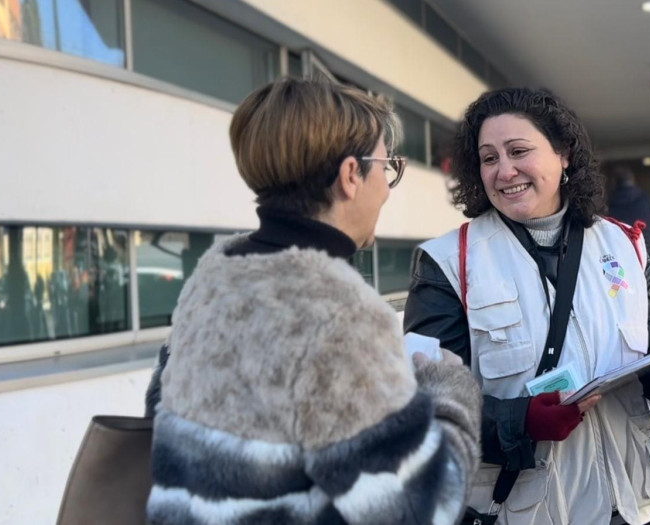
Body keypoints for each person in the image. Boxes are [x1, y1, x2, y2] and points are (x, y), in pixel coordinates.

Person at [144, 78, 483, 525]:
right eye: (387, 168)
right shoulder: (337, 314)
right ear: (350, 176)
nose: (386, 187)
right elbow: (420, 507)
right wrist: (448, 388)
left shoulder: (210, 283)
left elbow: (160, 413)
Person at [403, 88, 650, 525]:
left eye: (518, 151)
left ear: (564, 153)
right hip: (523, 510)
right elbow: (425, 405)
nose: (504, 171)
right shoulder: (449, 262)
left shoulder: (624, 244)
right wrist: (520, 421)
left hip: (629, 504)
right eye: (489, 158)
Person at [607, 166, 650, 277]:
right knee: (648, 291)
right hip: (646, 254)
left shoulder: (608, 202)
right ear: (633, 180)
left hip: (617, 254)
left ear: (615, 182)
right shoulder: (649, 200)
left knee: (620, 290)